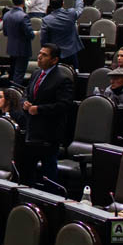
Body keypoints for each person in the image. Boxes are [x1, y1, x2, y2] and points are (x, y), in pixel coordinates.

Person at [21, 44, 73, 184]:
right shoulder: (37, 73)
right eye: (39, 53)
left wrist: (39, 109)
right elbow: (27, 92)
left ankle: (49, 202)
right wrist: (25, 102)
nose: (39, 57)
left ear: (54, 60)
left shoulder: (62, 79)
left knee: (48, 174)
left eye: (44, 55)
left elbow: (64, 105)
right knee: (27, 171)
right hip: (32, 131)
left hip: (49, 134)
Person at [38, 0, 84, 67]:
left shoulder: (46, 20)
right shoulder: (71, 13)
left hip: (55, 54)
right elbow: (79, 9)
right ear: (63, 3)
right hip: (71, 51)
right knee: (72, 74)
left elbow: (43, 39)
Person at [2, 0, 34, 85]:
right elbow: (30, 34)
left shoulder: (6, 14)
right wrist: (33, 33)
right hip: (22, 49)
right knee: (19, 74)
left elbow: (5, 33)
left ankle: (9, 92)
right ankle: (15, 94)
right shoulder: (24, 16)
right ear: (23, 2)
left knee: (12, 73)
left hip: (11, 48)